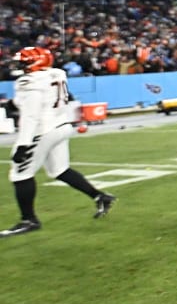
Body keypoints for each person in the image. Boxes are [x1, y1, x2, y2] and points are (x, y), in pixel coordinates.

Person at [3, 46, 115, 236]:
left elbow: (31, 115)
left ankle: (28, 220)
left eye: (23, 62)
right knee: (60, 170)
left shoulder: (29, 82)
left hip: (42, 131)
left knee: (20, 175)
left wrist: (23, 144)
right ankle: (99, 196)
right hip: (61, 125)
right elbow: (44, 99)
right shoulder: (56, 74)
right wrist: (12, 103)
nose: (20, 66)